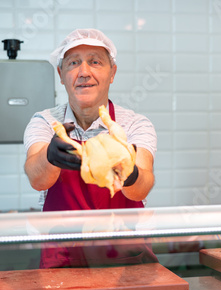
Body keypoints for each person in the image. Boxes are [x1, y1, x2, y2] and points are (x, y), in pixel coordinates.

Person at [23, 28, 157, 268]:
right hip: (63, 258)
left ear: (112, 73)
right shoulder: (45, 122)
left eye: (95, 62)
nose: (84, 72)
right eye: (73, 63)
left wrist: (130, 172)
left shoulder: (134, 124)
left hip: (124, 257)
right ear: (61, 74)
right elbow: (36, 178)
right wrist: (50, 157)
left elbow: (142, 187)